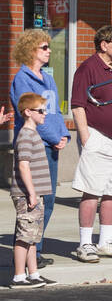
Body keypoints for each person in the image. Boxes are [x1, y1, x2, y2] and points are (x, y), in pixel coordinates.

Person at [69, 25, 112, 262]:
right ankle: (85, 243)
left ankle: (105, 240)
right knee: (92, 192)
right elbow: (77, 104)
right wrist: (86, 137)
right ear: (104, 44)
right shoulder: (88, 68)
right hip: (98, 137)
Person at [10, 28, 69, 267]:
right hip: (35, 146)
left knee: (49, 199)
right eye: (44, 47)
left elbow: (53, 111)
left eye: (49, 47)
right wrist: (54, 137)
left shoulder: (48, 77)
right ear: (31, 50)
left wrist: (64, 134)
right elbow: (31, 115)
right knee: (33, 201)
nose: (49, 51)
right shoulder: (22, 79)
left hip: (52, 144)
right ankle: (29, 253)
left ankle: (36, 247)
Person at [11, 93, 55, 288]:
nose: (45, 113)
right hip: (27, 195)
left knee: (32, 236)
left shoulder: (33, 132)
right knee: (24, 236)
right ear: (28, 112)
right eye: (41, 110)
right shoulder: (26, 135)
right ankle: (19, 276)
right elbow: (23, 166)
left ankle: (34, 273)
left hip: (35, 194)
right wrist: (31, 193)